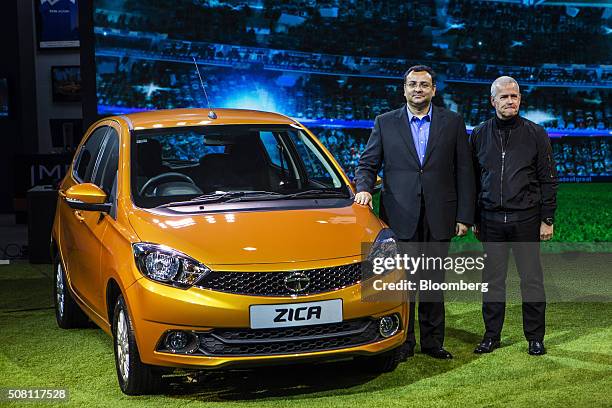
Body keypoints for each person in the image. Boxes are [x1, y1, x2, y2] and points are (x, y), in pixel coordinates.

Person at [354, 65, 475, 360]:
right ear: (404, 89)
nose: (418, 89)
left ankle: (433, 343)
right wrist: (364, 188)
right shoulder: (385, 122)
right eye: (412, 84)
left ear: (433, 90)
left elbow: (465, 172)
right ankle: (403, 342)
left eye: (424, 85)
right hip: (399, 216)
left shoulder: (453, 122)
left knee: (432, 282)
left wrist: (464, 216)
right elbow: (367, 163)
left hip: (439, 216)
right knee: (400, 284)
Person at [470, 76, 558, 356]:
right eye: (504, 97)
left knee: (531, 279)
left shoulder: (536, 133)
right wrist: (474, 217)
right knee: (493, 281)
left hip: (527, 219)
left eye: (515, 96)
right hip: (491, 220)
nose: (510, 101)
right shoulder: (480, 133)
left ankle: (535, 337)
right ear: (493, 101)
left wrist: (547, 219)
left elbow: (548, 179)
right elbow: (473, 178)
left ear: (520, 99)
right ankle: (491, 335)